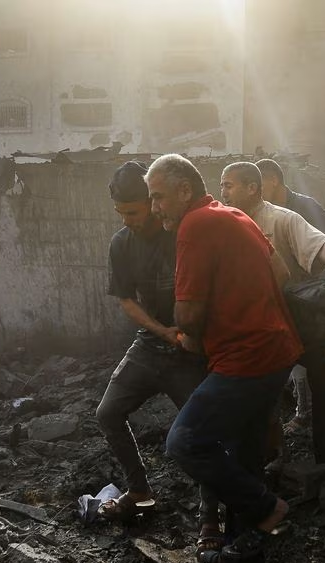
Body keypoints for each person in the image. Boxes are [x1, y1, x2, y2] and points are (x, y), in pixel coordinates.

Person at [148, 154, 298, 563]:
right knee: (243, 452)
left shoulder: (195, 225)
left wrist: (192, 333)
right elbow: (281, 270)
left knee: (186, 442)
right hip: (277, 351)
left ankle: (269, 508)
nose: (155, 206)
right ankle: (243, 548)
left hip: (246, 358)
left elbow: (188, 314)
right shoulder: (235, 214)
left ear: (184, 191)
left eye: (159, 197)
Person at [220, 161, 325, 464]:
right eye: (222, 186)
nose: (223, 192)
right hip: (255, 327)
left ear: (252, 187)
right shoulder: (224, 225)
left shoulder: (283, 219)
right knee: (261, 394)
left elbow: (322, 245)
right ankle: (272, 457)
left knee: (321, 386)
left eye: (228, 185)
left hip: (297, 320)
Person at [92, 161, 207, 524]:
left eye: (133, 211)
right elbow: (126, 299)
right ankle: (139, 490)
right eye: (120, 213)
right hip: (151, 343)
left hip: (191, 350)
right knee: (107, 413)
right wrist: (162, 331)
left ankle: (212, 512)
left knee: (203, 430)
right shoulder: (121, 244)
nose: (126, 219)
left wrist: (189, 336)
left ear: (153, 203)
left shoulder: (184, 233)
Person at [256, 158, 325, 433]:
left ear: (273, 181)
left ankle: (317, 417)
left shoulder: (303, 207)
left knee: (312, 357)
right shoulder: (260, 212)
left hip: (310, 292)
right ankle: (304, 410)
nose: (256, 190)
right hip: (281, 292)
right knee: (292, 359)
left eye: (259, 183)